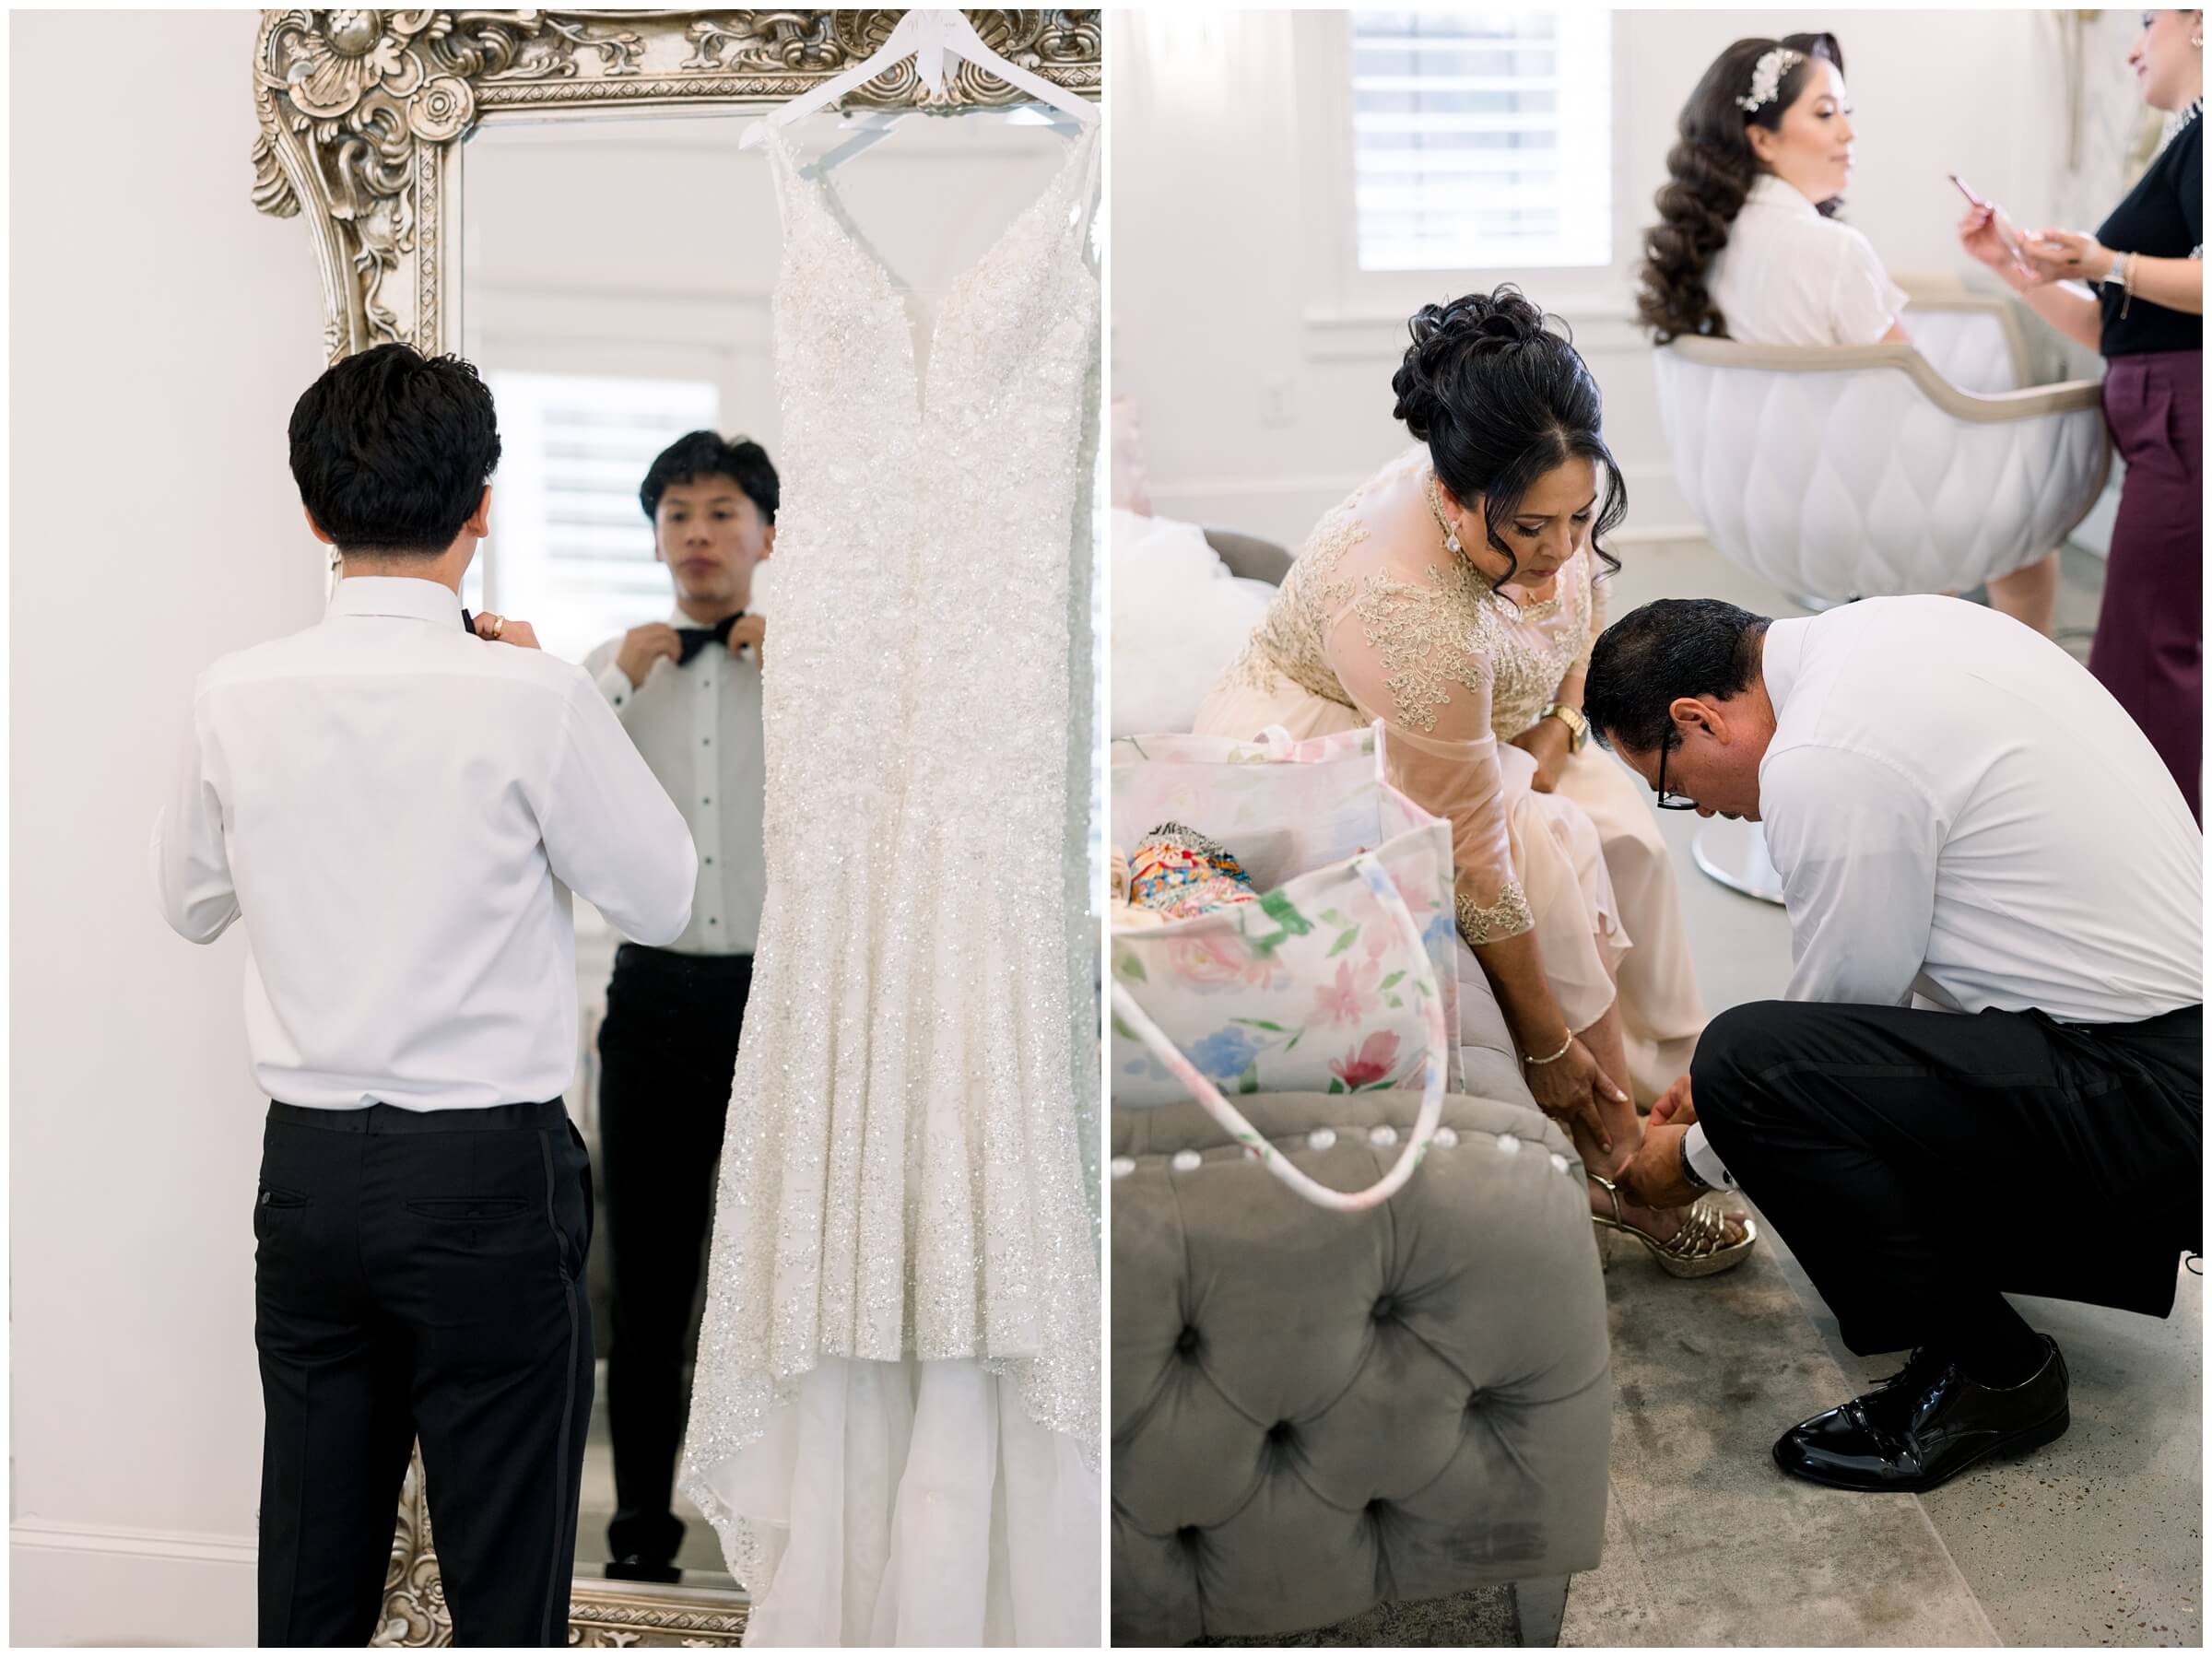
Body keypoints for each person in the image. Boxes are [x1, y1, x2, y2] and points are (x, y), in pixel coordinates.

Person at [152, 344, 697, 1644]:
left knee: (311, 1577)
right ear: (484, 504)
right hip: (489, 1181)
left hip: (314, 1182)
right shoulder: (536, 697)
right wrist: (546, 688)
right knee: (506, 1589)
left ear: (311, 510)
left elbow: (187, 904)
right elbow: (665, 896)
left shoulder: (234, 693)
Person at [1584, 594, 2202, 1494]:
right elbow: (1865, 1006)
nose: (1704, 814)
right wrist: (1725, 1104)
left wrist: (1689, 1158)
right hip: (2169, 1061)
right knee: (1753, 1071)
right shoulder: (1889, 635)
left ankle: (1996, 1374)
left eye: (1673, 786)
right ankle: (2013, 1264)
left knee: (1746, 1061)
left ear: (1697, 717)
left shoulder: (1822, 758)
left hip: (2150, 1100)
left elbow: (1820, 1030)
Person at [1193, 286, 1749, 1278]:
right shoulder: (1405, 607)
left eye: (1581, 516)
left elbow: (1581, 613)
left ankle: (1685, 1098)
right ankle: (1618, 1154)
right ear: (1451, 496)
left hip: (1510, 729)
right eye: (1528, 530)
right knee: (1547, 852)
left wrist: (1557, 730)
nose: (1559, 549)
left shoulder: (1541, 494)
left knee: (1632, 838)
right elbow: (1476, 859)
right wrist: (1545, 1044)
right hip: (1342, 735)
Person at [1638, 33, 2060, 633]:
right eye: (1825, 113)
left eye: (1847, 113)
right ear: (1761, 137)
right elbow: (1924, 401)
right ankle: (2025, 684)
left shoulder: (1705, 247)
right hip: (1863, 506)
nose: (1848, 134)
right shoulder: (1832, 250)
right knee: (2023, 528)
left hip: (1768, 501)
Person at [576, 431, 773, 1583]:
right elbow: (545, 799)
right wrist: (612, 682)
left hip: (775, 1002)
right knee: (646, 1274)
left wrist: (791, 670)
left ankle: (770, 1534)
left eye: (721, 512)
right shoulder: (607, 672)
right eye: (677, 515)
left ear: (765, 535)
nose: (698, 534)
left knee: (770, 1269)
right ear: (657, 538)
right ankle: (639, 1532)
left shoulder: (812, 675)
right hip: (650, 1003)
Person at [1959, 10, 2204, 816]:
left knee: (2148, 649)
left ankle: (2148, 845)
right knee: (2145, 643)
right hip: (2159, 419)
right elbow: (2115, 329)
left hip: (2183, 420)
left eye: (2148, 22)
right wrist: (2013, 268)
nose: (2133, 48)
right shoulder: (2186, 141)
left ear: (2200, 23)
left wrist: (2103, 260)